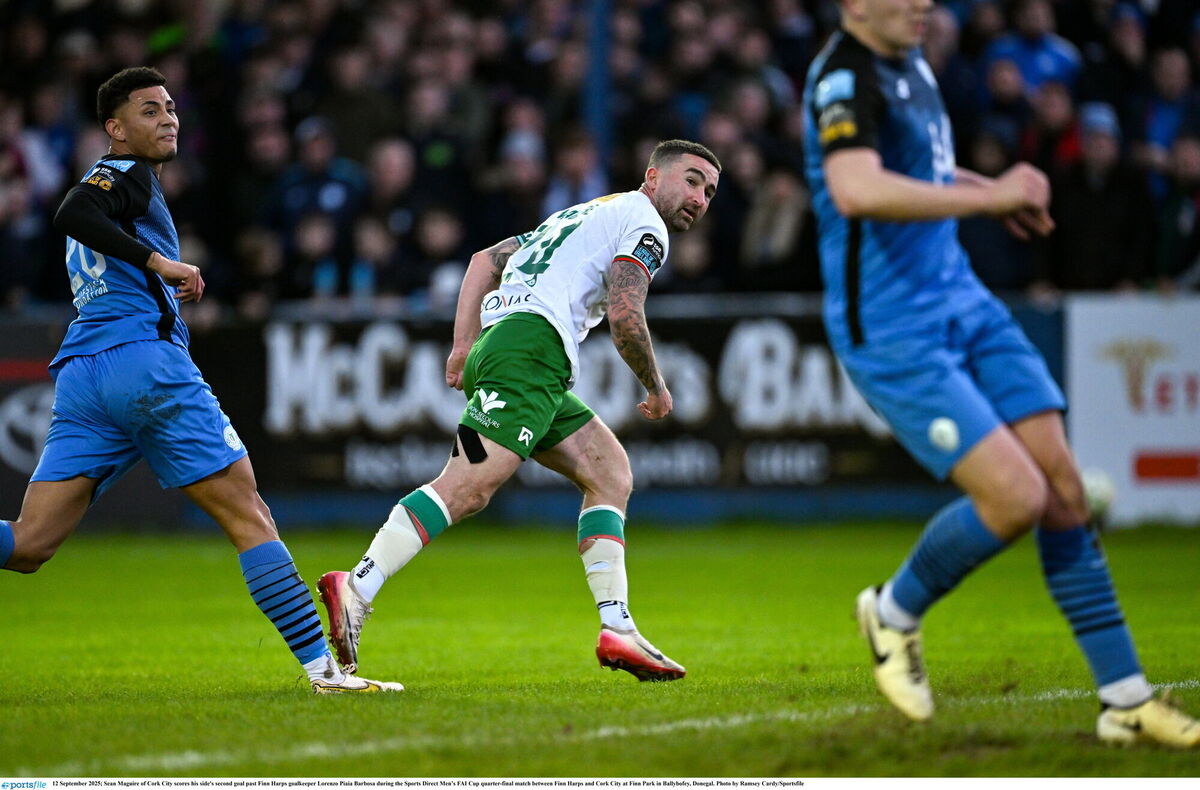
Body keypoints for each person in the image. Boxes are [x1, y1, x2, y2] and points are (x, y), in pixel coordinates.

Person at [803, 0, 1199, 746]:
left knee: (1064, 490)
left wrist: (990, 192)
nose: (924, 4)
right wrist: (989, 203)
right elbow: (857, 188)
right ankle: (892, 612)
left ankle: (1126, 700)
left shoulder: (909, 60)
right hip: (894, 329)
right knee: (1015, 497)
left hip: (963, 299)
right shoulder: (844, 78)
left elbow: (918, 163)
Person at [0, 67, 401, 695]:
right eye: (149, 110)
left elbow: (81, 217)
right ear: (115, 128)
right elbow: (71, 210)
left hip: (83, 375)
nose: (167, 119)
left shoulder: (118, 186)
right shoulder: (120, 176)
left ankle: (325, 671)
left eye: (170, 108)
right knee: (251, 516)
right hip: (144, 365)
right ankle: (326, 673)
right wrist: (159, 261)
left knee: (28, 546)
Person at [317, 139, 721, 682]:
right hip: (532, 350)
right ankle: (358, 587)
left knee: (610, 472)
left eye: (710, 190)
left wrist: (464, 346)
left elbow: (485, 260)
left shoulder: (585, 213)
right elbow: (626, 316)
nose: (700, 197)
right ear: (653, 179)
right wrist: (656, 386)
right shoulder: (647, 225)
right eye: (692, 180)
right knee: (467, 488)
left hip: (514, 346)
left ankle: (618, 630)